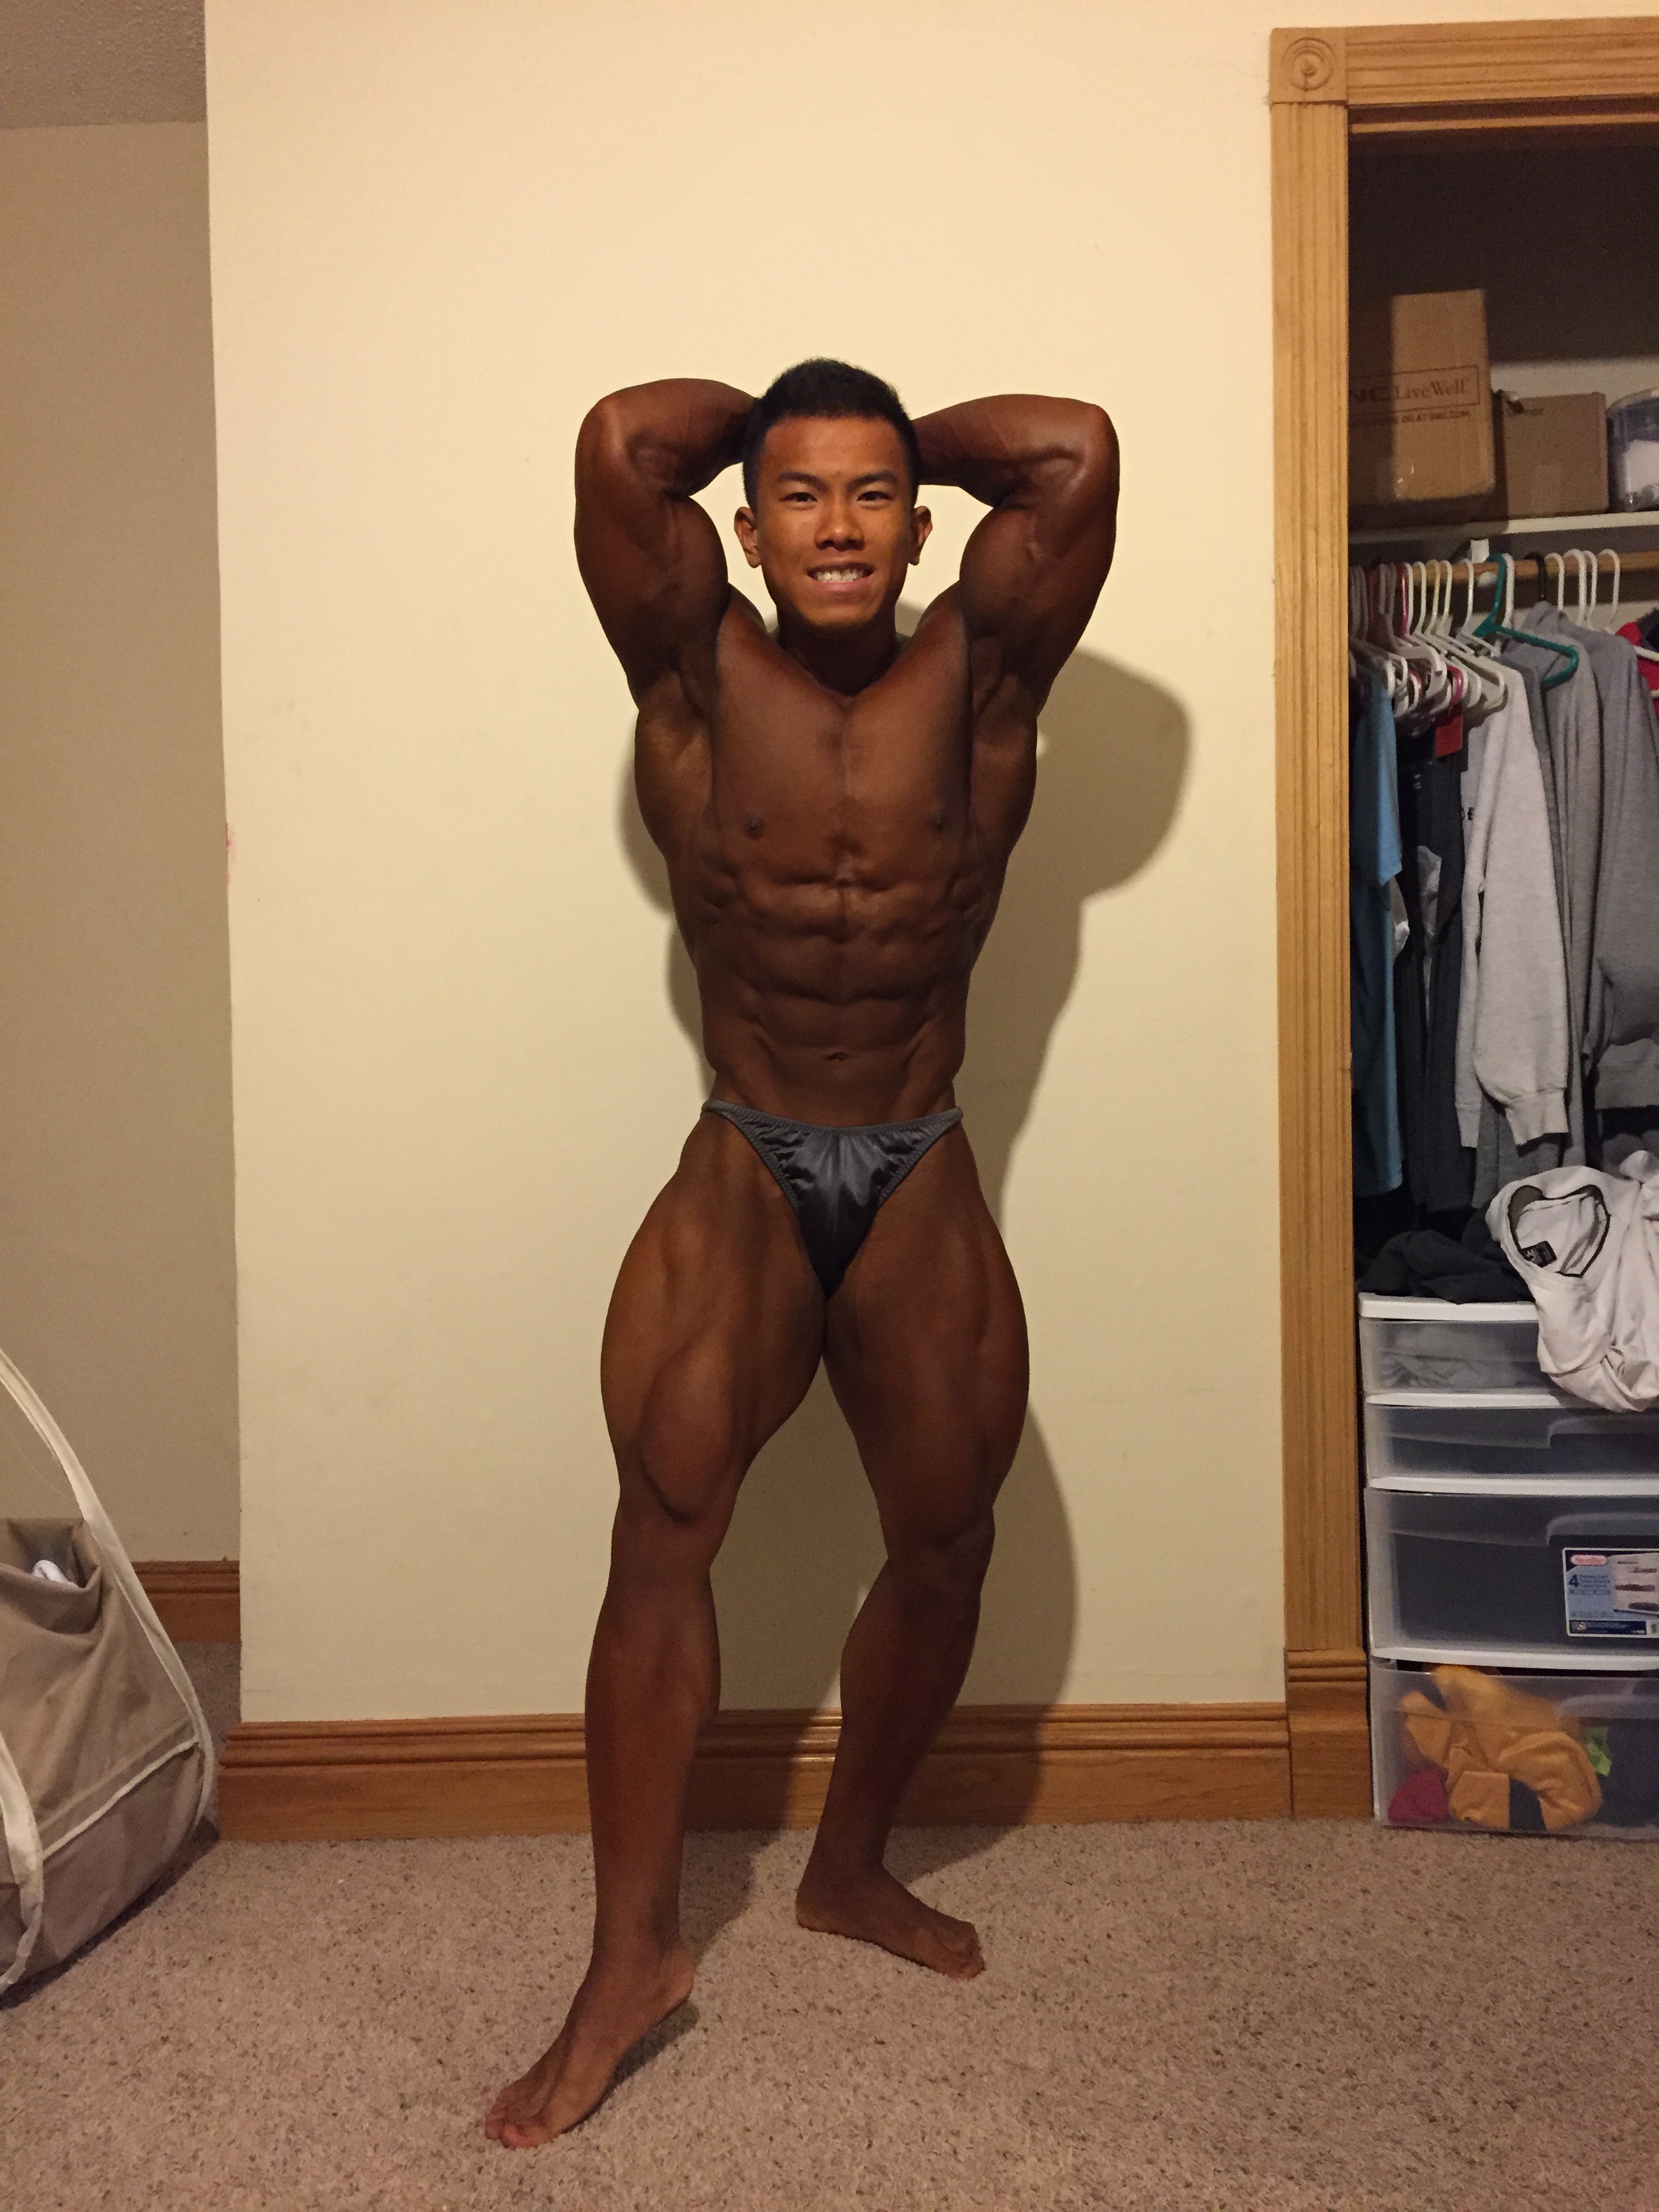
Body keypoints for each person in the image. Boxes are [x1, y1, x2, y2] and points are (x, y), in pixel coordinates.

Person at [487, 360, 1118, 2148]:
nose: (839, 526)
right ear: (747, 529)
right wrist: (785, 411)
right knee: (661, 1535)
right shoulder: (692, 667)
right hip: (748, 1160)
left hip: (917, 1161)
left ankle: (848, 1865)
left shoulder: (985, 676)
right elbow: (624, 441)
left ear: (921, 526)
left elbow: (1074, 453)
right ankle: (628, 1957)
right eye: (799, 494)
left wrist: (885, 432)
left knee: (947, 1538)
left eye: (872, 495)